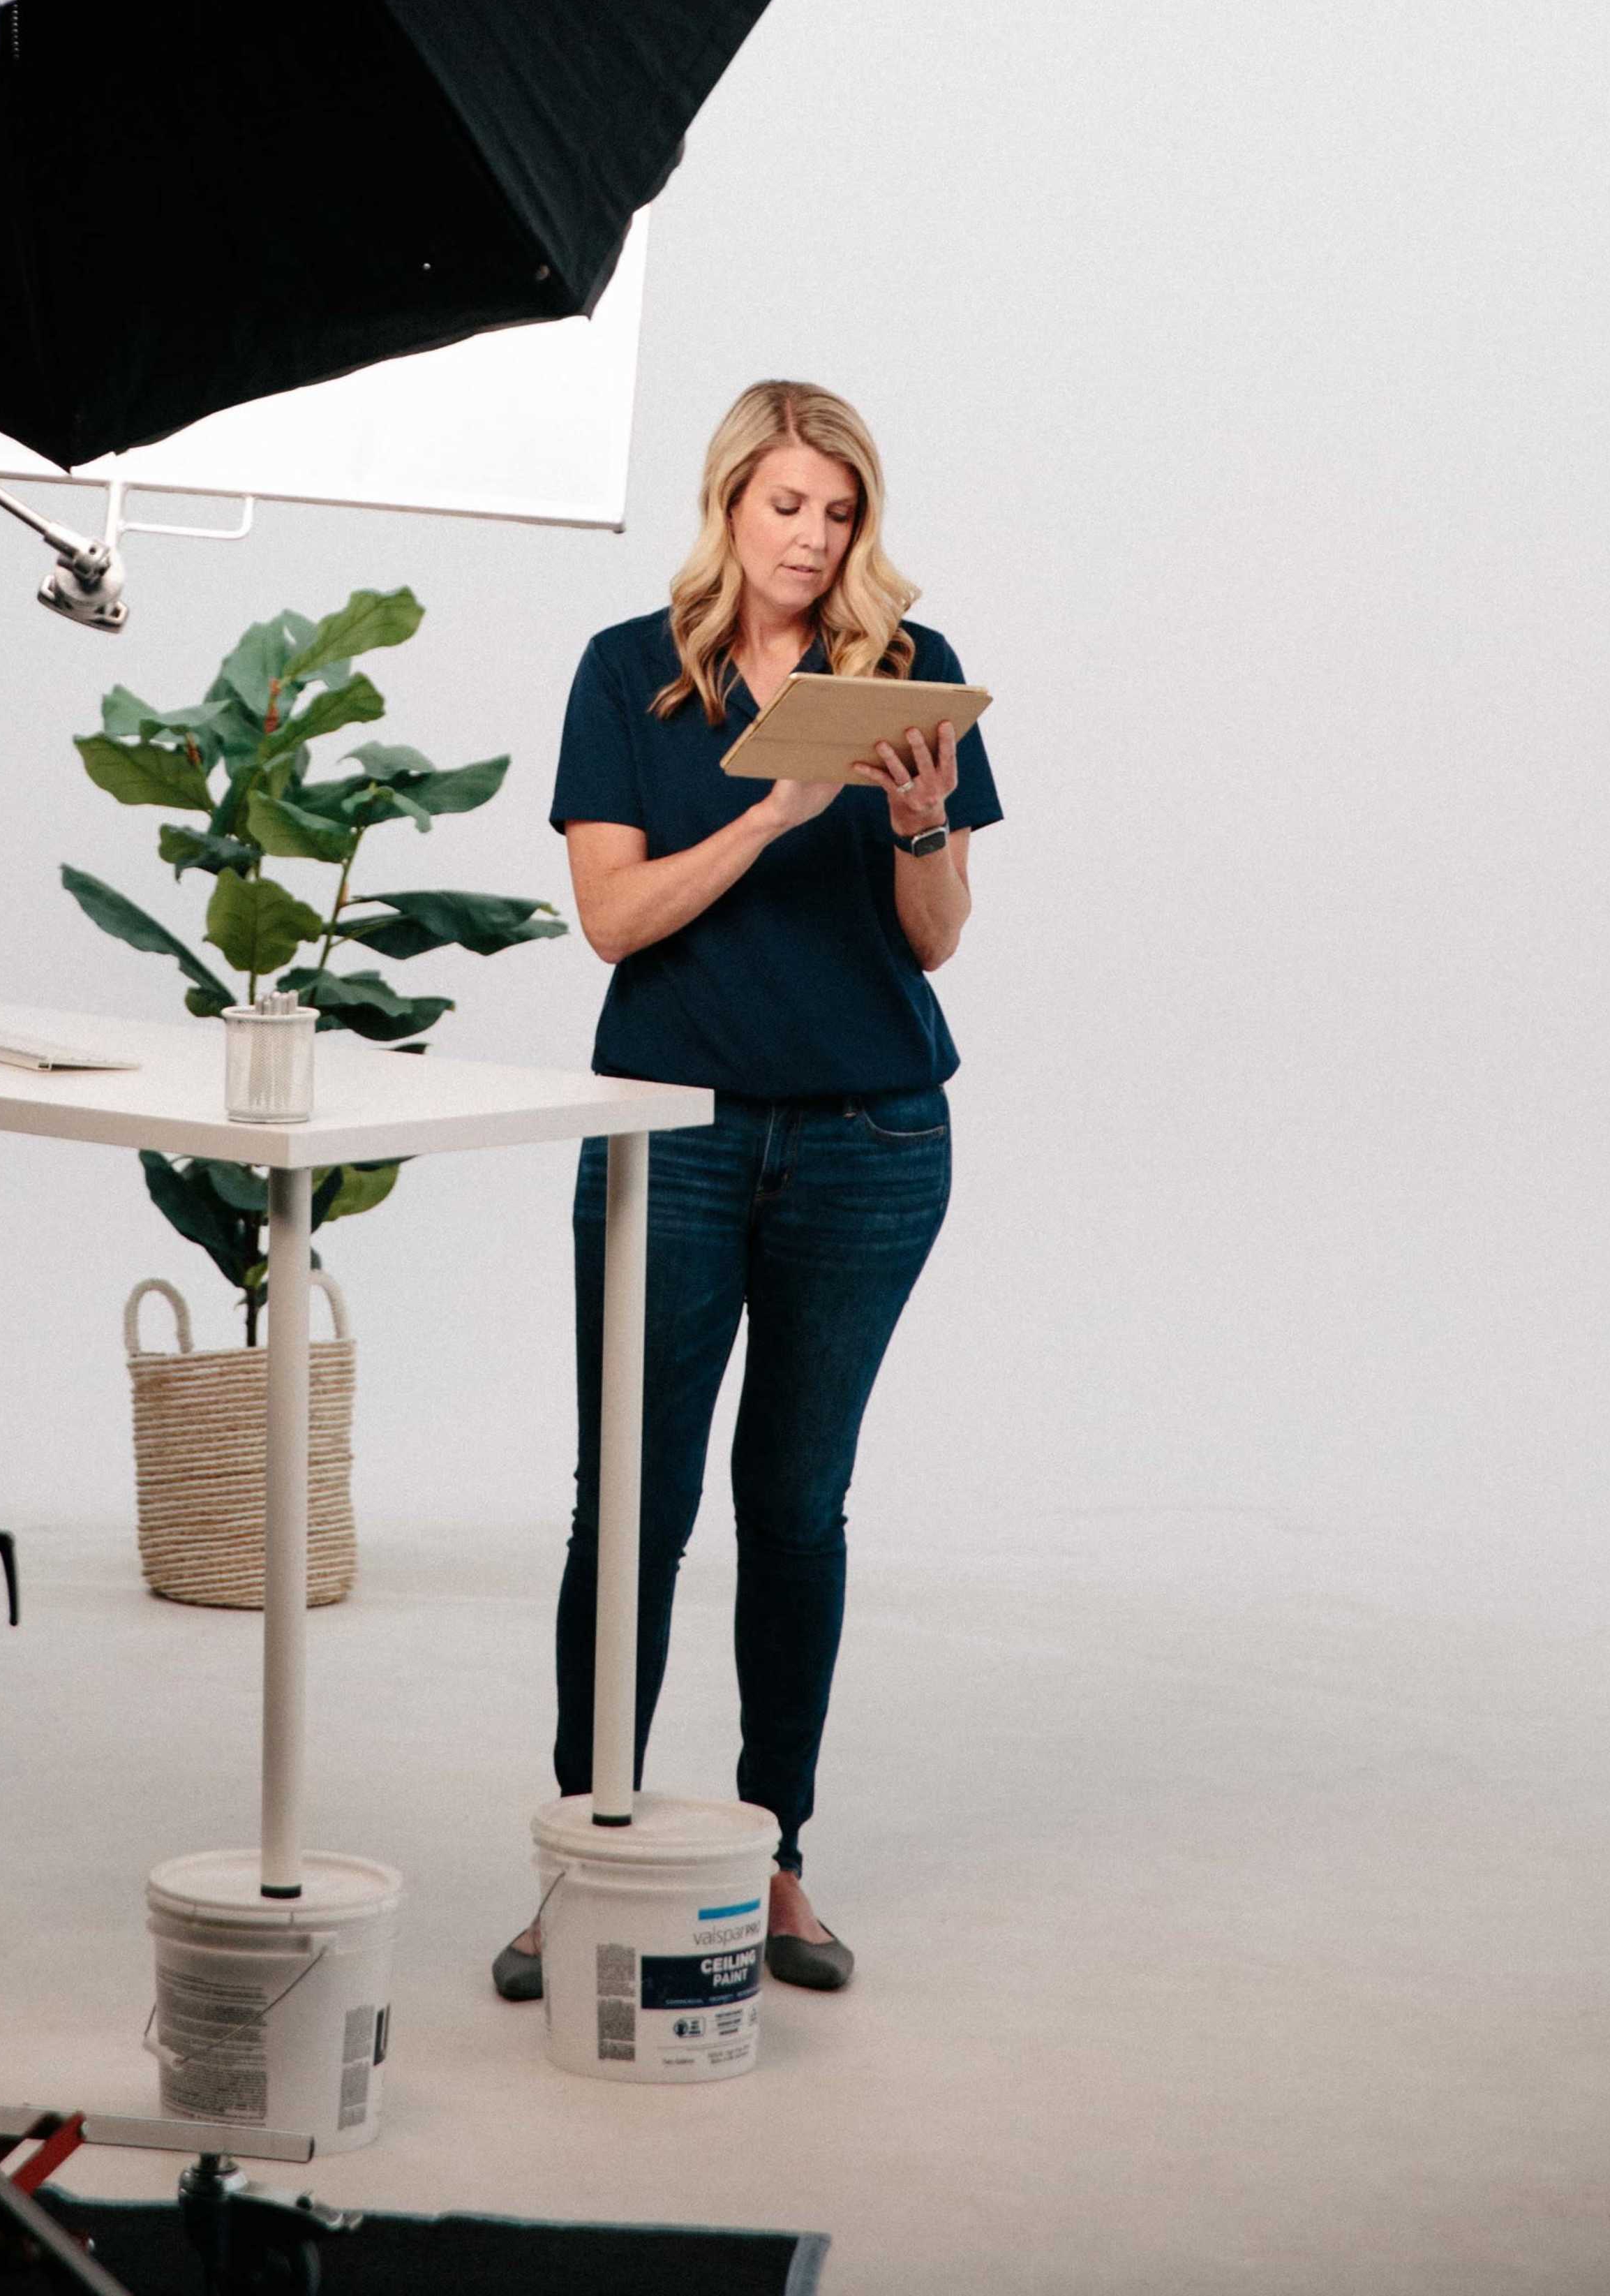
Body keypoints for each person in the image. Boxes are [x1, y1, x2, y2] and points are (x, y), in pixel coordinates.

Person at [493, 378, 999, 2001]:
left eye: (840, 512)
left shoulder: (905, 671)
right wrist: (779, 811)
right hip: (674, 1136)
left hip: (871, 1138)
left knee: (796, 1505)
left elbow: (936, 938)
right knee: (631, 1504)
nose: (813, 537)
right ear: (730, 505)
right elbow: (615, 919)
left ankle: (775, 1859)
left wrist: (917, 824)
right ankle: (586, 1851)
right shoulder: (629, 674)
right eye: (788, 505)